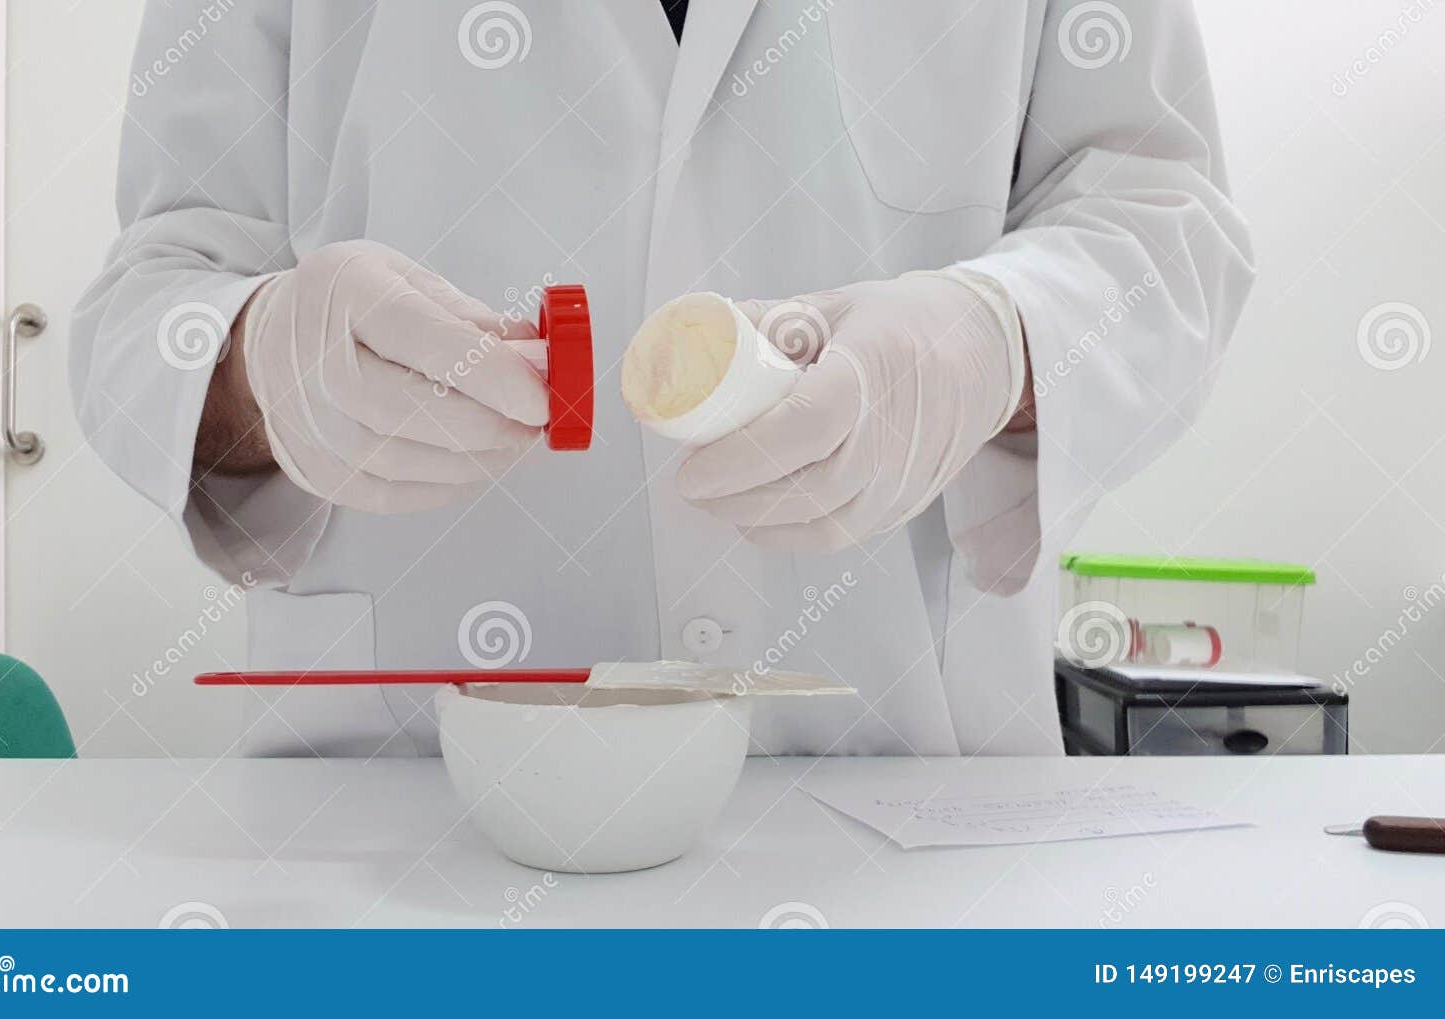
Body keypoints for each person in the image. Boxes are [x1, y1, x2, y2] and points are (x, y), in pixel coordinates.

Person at [72, 1, 1253, 757]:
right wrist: (261, 363)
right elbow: (151, 295)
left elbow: (1164, 230)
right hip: (400, 814)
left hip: (895, 797)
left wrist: (990, 343)